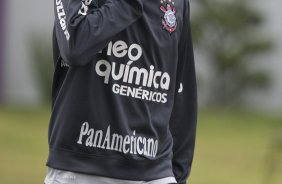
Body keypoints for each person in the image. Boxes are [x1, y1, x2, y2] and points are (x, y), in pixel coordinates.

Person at [45, 0, 197, 183]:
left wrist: (178, 174)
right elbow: (75, 44)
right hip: (81, 167)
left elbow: (180, 90)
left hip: (154, 170)